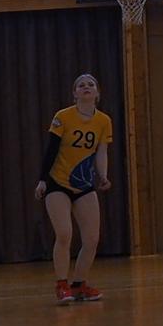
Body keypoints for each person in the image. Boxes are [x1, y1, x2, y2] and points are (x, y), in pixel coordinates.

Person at [35, 72, 112, 304]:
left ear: (97, 93)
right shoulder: (63, 117)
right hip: (58, 182)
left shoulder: (103, 121)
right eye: (81, 85)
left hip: (84, 184)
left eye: (91, 84)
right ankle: (62, 285)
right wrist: (42, 180)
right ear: (75, 93)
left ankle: (79, 285)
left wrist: (103, 175)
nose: (86, 87)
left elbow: (101, 151)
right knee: (64, 233)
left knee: (92, 239)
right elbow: (51, 149)